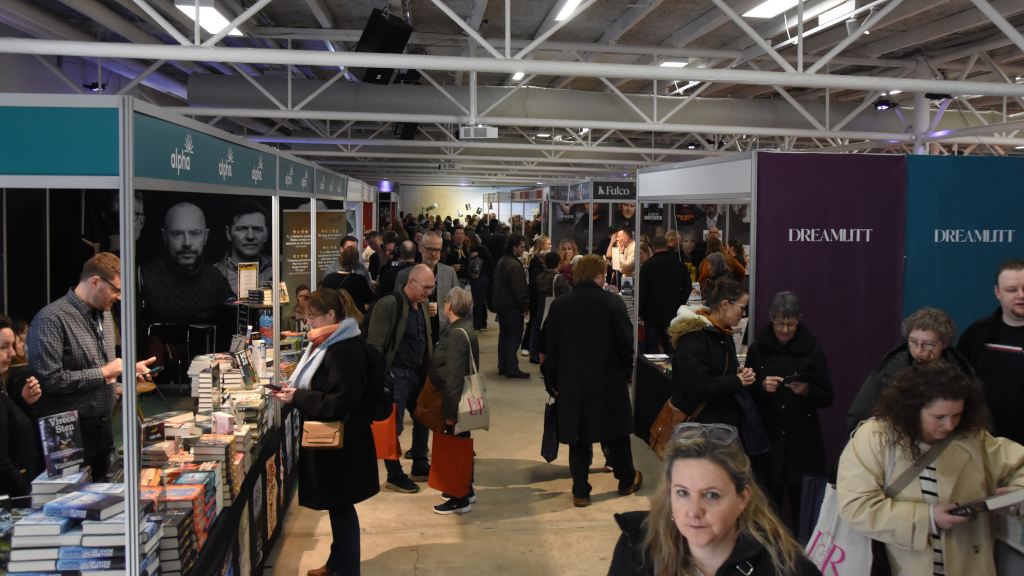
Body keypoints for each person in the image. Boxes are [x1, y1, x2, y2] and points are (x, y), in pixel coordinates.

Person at [838, 360, 1024, 575]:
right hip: (906, 565)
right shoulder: (876, 437)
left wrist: (1015, 498)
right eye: (939, 417)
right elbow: (855, 506)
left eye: (957, 415)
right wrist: (928, 518)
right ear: (912, 409)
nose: (949, 425)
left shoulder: (973, 438)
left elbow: (1019, 465)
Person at [609, 424, 820, 576]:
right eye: (682, 493)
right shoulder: (636, 548)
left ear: (742, 499)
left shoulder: (788, 570)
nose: (694, 511)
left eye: (712, 495)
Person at [270, 290, 377, 576]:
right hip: (335, 438)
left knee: (341, 505)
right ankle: (337, 564)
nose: (308, 323)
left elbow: (338, 401)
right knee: (337, 504)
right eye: (306, 317)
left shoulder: (344, 349)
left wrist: (298, 397)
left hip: (341, 440)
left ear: (331, 315)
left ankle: (347, 569)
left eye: (312, 317)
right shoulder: (328, 342)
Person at [28, 253, 155, 478]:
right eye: (116, 290)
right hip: (66, 432)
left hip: (102, 427)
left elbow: (103, 366)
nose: (119, 297)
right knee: (70, 495)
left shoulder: (104, 315)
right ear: (95, 281)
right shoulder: (51, 319)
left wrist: (127, 369)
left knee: (103, 490)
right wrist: (103, 372)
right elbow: (49, 379)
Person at [541, 254, 640, 506]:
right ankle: (626, 480)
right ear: (598, 275)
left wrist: (551, 381)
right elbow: (625, 342)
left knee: (578, 438)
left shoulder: (560, 305)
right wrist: (625, 370)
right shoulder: (612, 302)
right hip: (608, 380)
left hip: (571, 382)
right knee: (616, 433)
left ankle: (580, 490)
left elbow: (549, 346)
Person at [746, 292, 833, 533]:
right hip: (769, 443)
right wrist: (761, 386)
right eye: (779, 323)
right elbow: (746, 393)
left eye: (791, 324)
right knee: (767, 513)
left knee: (803, 516)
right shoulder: (758, 349)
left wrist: (806, 390)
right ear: (770, 317)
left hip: (802, 446)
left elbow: (828, 396)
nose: (785, 329)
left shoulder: (812, 348)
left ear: (799, 319)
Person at [668, 279, 769, 458]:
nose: (744, 313)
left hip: (720, 430)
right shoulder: (692, 339)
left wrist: (737, 374)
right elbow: (699, 388)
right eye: (741, 307)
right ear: (725, 304)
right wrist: (736, 380)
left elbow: (718, 372)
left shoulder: (722, 333)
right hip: (700, 435)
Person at [847, 307, 975, 432]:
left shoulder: (960, 373)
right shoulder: (891, 367)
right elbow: (859, 415)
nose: (919, 350)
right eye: (913, 342)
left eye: (928, 344)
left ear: (944, 343)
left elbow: (973, 422)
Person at [368, 264, 434, 493]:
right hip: (396, 377)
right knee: (392, 428)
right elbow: (375, 345)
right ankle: (394, 475)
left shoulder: (422, 305)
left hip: (418, 374)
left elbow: (426, 338)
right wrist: (379, 380)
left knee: (423, 419)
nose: (429, 292)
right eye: (426, 287)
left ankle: (420, 464)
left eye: (432, 288)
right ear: (411, 283)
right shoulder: (389, 304)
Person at [957, 258, 1024, 444]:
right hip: (980, 443)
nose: (1020, 295)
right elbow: (956, 386)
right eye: (1012, 290)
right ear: (997, 292)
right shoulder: (976, 333)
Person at [428, 288, 480, 515]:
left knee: (455, 448)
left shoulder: (457, 333)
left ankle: (459, 498)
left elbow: (455, 375)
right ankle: (465, 490)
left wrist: (450, 412)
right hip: (461, 399)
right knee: (461, 444)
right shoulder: (464, 328)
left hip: (455, 401)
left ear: (449, 305)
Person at [139, 202, 234, 325]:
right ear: (165, 236)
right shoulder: (145, 277)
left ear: (206, 236)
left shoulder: (216, 279)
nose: (187, 243)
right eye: (177, 234)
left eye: (195, 234)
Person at [0, 316, 41, 499]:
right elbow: (2, 462)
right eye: (3, 347)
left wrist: (24, 403)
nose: (12, 353)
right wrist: (26, 495)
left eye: (12, 345)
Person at [396, 232, 459, 344]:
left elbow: (457, 303)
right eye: (430, 249)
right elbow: (398, 305)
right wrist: (422, 309)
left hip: (442, 332)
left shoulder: (449, 272)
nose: (434, 253)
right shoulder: (404, 275)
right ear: (421, 248)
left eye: (437, 250)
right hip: (413, 332)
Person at [212, 200, 272, 296]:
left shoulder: (279, 268)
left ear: (267, 234)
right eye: (242, 229)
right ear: (228, 233)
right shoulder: (212, 276)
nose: (250, 236)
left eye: (257, 229)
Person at [639, 236, 687, 354]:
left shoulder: (647, 265)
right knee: (671, 349)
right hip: (672, 313)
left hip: (651, 314)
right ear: (666, 247)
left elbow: (642, 291)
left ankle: (651, 367)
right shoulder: (679, 264)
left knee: (651, 349)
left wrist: (640, 312)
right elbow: (687, 287)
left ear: (653, 248)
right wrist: (680, 304)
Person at [494, 233, 530, 379]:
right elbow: (519, 290)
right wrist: (524, 306)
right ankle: (512, 368)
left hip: (502, 306)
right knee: (513, 338)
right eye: (522, 247)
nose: (524, 250)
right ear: (514, 247)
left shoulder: (502, 261)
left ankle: (503, 367)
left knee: (504, 336)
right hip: (512, 307)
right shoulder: (514, 265)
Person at [531, 251, 571, 361]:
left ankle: (540, 359)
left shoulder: (540, 277)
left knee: (542, 337)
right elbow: (567, 296)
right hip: (554, 313)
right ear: (559, 264)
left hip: (541, 311)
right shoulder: (559, 279)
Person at [321, 247, 375, 312]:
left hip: (337, 314)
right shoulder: (359, 279)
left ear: (341, 259)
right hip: (356, 315)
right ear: (356, 261)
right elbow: (370, 299)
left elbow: (323, 299)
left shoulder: (328, 278)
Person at [466, 232, 494, 334]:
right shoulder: (469, 250)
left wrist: (490, 280)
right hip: (475, 279)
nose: (466, 243)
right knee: (480, 302)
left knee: (477, 303)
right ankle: (482, 324)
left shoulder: (482, 249)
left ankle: (477, 327)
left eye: (467, 241)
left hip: (481, 279)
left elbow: (490, 264)